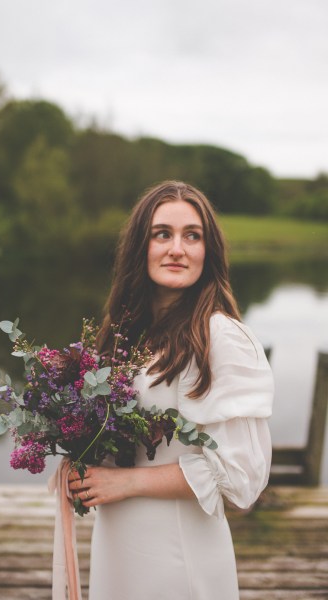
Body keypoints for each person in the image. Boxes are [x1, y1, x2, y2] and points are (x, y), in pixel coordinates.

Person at [68, 180, 274, 600]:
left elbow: (238, 476)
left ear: (207, 251)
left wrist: (124, 483)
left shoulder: (221, 337)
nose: (177, 248)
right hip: (120, 540)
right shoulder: (124, 334)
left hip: (178, 548)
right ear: (140, 246)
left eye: (191, 236)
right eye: (162, 233)